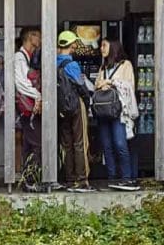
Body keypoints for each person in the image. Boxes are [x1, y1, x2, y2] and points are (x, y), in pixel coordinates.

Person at [92, 37, 138, 192]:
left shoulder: (126, 65)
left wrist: (110, 83)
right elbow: (97, 84)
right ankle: (112, 177)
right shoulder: (103, 67)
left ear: (113, 47)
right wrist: (100, 84)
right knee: (107, 145)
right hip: (104, 111)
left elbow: (130, 86)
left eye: (104, 45)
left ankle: (127, 178)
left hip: (119, 111)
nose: (101, 48)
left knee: (120, 144)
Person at [53, 31, 91, 190]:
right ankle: (81, 179)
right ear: (71, 45)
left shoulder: (53, 63)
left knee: (66, 143)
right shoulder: (72, 65)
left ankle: (69, 178)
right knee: (79, 142)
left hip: (60, 108)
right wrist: (87, 102)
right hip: (75, 105)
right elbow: (81, 86)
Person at [12, 27, 43, 179]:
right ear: (31, 37)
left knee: (29, 143)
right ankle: (32, 179)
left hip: (29, 107)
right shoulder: (19, 57)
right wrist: (38, 96)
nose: (41, 41)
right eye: (39, 37)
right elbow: (21, 83)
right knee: (35, 143)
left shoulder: (28, 57)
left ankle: (29, 178)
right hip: (27, 109)